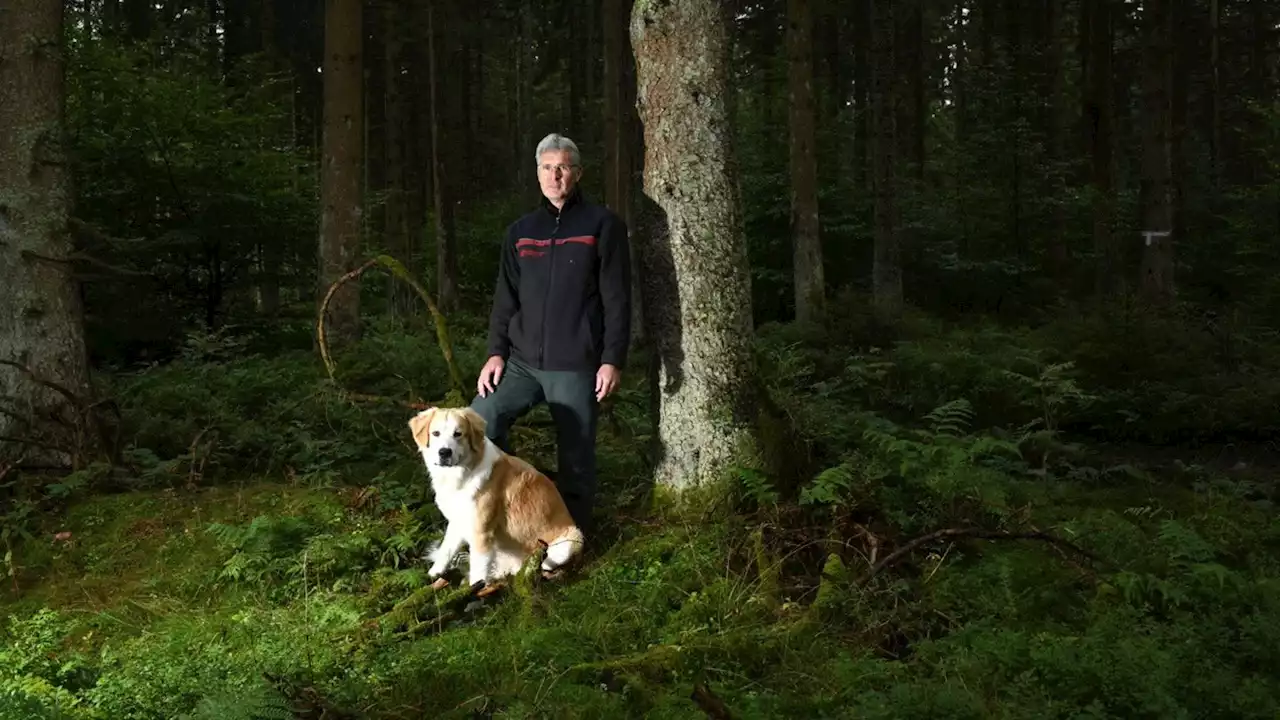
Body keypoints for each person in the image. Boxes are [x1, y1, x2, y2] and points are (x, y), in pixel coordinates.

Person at [470, 132, 631, 536]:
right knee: (480, 422)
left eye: (562, 167)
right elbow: (505, 298)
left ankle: (570, 539)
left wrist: (612, 359)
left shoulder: (602, 225)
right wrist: (495, 353)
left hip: (576, 363)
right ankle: (501, 517)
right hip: (522, 362)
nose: (554, 175)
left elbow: (617, 298)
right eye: (546, 167)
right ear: (537, 172)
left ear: (576, 173)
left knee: (576, 455)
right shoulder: (521, 231)